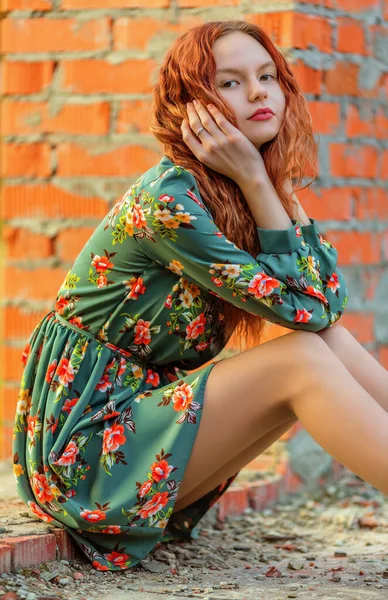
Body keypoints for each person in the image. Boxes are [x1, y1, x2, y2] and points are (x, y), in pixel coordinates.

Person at [13, 20, 388, 572]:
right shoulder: (169, 200)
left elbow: (325, 303)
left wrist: (272, 185)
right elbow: (306, 310)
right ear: (193, 108)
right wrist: (263, 184)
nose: (259, 92)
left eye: (267, 76)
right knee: (302, 357)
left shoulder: (236, 191)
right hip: (90, 455)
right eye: (230, 83)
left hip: (149, 435)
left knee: (324, 341)